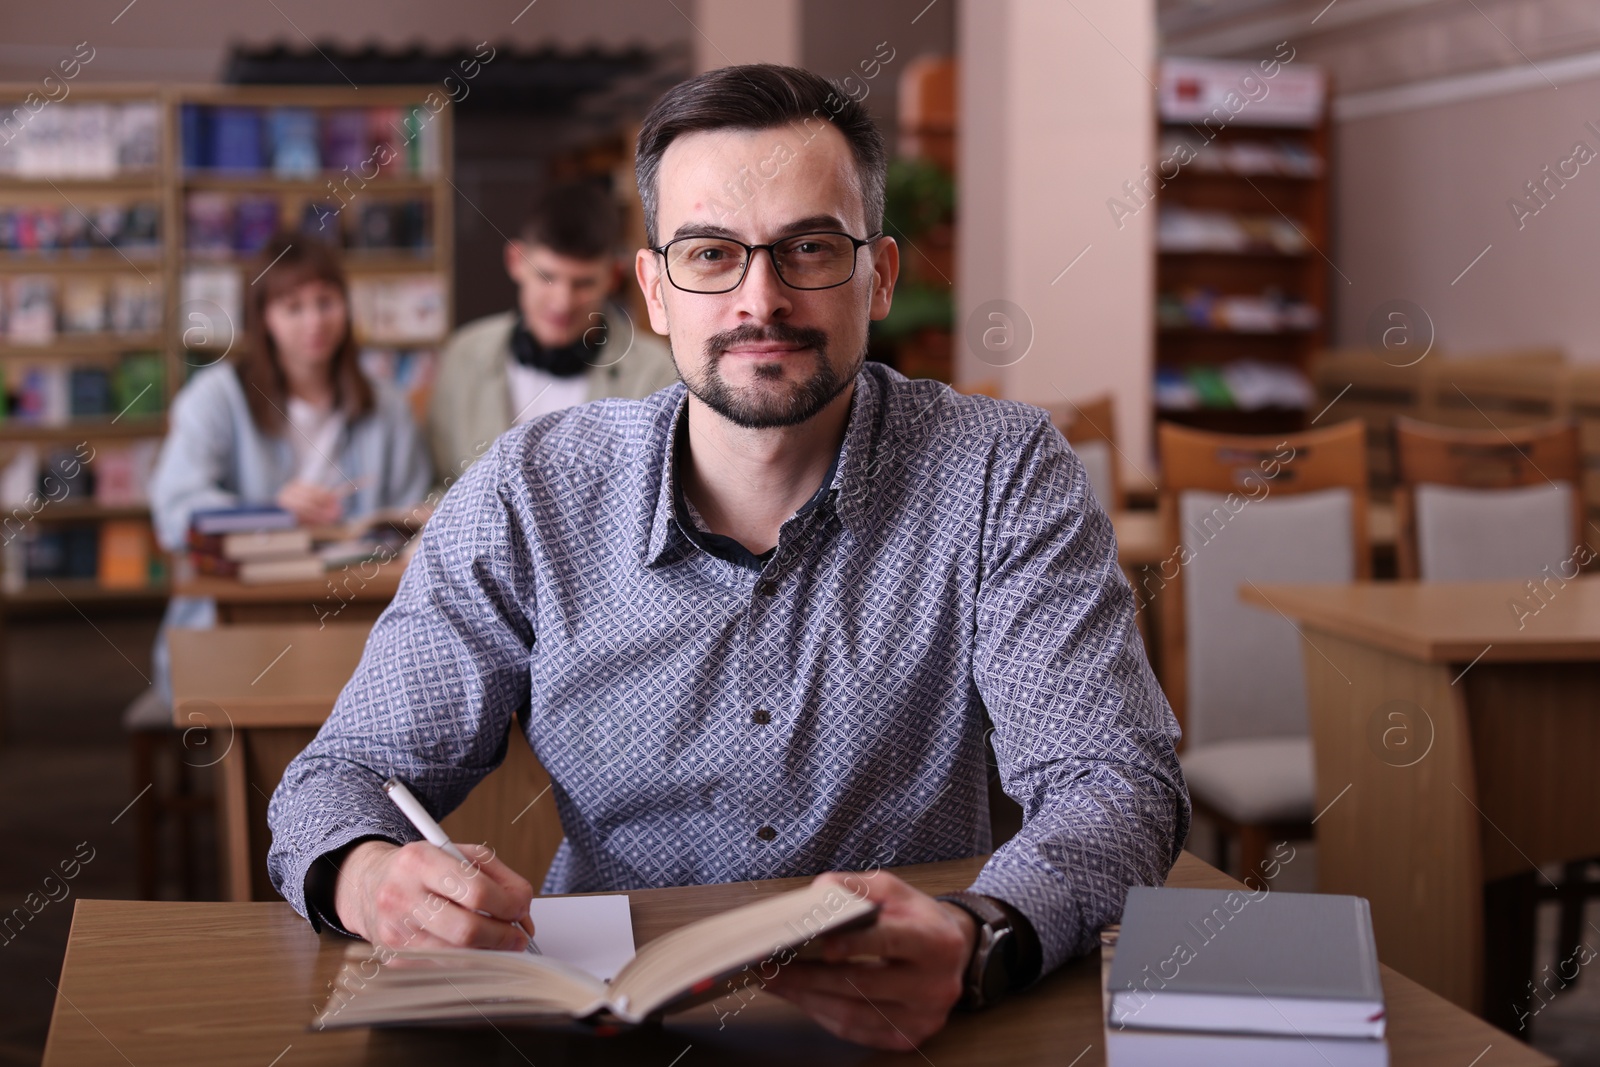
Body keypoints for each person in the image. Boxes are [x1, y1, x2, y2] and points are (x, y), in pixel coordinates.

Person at [268, 65, 1187, 1050]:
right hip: (603, 1030)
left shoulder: (999, 469)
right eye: (711, 253)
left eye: (808, 248)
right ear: (655, 291)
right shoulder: (529, 490)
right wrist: (369, 877)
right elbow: (341, 774)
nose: (763, 298)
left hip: (910, 1026)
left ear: (879, 274)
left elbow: (1115, 778)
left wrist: (979, 933)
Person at [147, 236, 433, 699]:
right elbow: (174, 513)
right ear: (263, 318)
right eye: (292, 307)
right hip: (241, 624)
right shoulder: (216, 396)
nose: (314, 321)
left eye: (326, 302)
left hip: (363, 616)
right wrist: (268, 513)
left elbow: (414, 511)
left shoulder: (388, 406)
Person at [426, 181, 679, 479]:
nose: (562, 303)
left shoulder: (656, 373)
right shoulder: (463, 355)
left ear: (613, 277)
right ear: (515, 261)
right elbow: (439, 485)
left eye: (583, 283)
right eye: (546, 276)